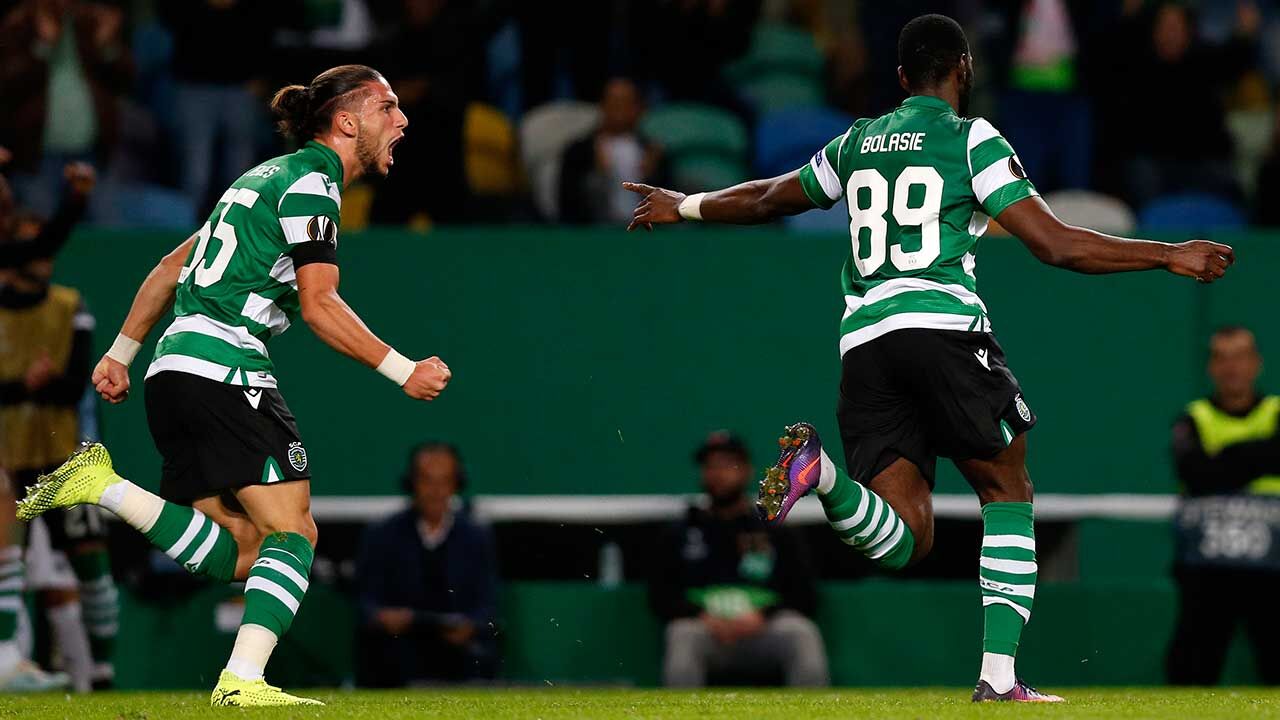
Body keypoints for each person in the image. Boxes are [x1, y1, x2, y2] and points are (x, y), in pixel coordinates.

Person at [624, 13, 1234, 703]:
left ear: (900, 76)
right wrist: (1166, 254)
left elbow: (769, 197)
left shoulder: (857, 141)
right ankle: (998, 678)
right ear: (964, 69)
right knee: (1007, 490)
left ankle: (822, 474)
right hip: (942, 329)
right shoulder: (972, 139)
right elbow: (1055, 244)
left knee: (904, 537)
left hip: (865, 345)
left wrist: (686, 205)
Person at [16, 64, 453, 706]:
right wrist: (402, 369)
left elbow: (171, 267)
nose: (403, 118)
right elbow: (320, 304)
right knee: (295, 535)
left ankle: (103, 486)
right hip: (226, 368)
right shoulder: (312, 184)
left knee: (245, 549)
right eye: (387, 106)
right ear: (346, 121)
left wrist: (120, 353)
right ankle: (242, 681)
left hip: (173, 370)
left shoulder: (258, 179)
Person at [0, 162, 115, 693]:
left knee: (84, 565)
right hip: (10, 453)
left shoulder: (69, 306)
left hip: (60, 455)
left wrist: (74, 201)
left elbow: (74, 387)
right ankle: (14, 661)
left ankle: (97, 674)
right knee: (21, 564)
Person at [651, 431, 827, 688]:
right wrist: (701, 616)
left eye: (727, 465)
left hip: (764, 630)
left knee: (800, 633)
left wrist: (762, 616)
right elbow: (660, 596)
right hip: (707, 632)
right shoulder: (681, 532)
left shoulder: (775, 529)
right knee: (682, 634)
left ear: (746, 470)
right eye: (711, 466)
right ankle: (680, 709)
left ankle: (812, 709)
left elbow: (805, 595)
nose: (718, 473)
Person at [1167, 326, 1280, 685]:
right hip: (1206, 573)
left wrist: (1226, 458)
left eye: (1241, 357)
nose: (1232, 368)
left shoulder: (1275, 412)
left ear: (1257, 363)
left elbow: (1215, 470)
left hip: (1273, 572)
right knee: (1190, 669)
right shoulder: (1194, 418)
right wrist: (1259, 455)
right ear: (1211, 367)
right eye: (1222, 358)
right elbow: (1196, 473)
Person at [355, 442, 498, 686]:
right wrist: (384, 618)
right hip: (399, 648)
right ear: (412, 483)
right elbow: (365, 600)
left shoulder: (476, 536)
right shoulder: (382, 534)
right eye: (427, 480)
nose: (436, 490)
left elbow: (488, 604)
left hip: (459, 652)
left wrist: (470, 626)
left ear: (456, 485)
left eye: (445, 481)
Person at [558, 77, 665, 225]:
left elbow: (671, 203)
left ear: (639, 108)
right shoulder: (579, 151)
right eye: (614, 103)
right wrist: (598, 176)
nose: (619, 110)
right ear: (602, 106)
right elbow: (567, 205)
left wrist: (652, 175)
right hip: (596, 230)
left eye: (626, 103)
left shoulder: (652, 151)